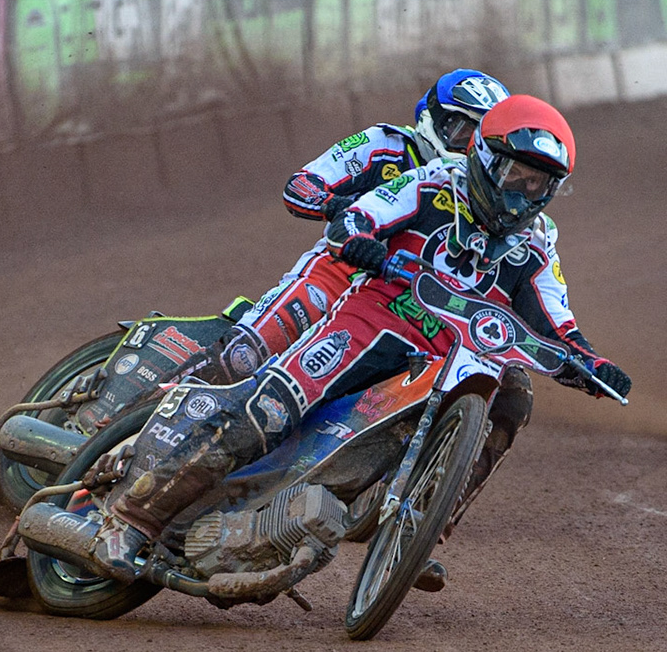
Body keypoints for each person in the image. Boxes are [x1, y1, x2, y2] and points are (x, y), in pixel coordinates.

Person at [89, 95, 631, 587]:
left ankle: (421, 526)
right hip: (370, 321)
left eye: (539, 184)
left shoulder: (537, 241)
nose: (524, 193)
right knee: (272, 408)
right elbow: (357, 217)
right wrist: (361, 240)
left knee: (513, 392)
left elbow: (555, 318)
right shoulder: (436, 181)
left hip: (442, 357)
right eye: (518, 175)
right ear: (487, 159)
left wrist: (592, 362)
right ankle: (132, 519)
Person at [198, 68, 511, 385]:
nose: (469, 146)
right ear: (434, 118)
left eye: (480, 140)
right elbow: (301, 186)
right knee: (240, 357)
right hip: (338, 275)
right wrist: (337, 206)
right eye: (462, 131)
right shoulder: (386, 144)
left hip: (410, 307)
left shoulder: (492, 198)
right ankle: (170, 399)